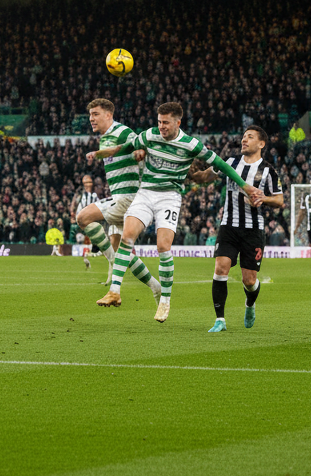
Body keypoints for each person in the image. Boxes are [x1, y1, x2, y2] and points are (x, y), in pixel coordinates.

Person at [88, 102, 263, 322]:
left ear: (177, 122)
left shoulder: (191, 145)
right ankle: (114, 291)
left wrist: (245, 187)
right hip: (145, 193)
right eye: (159, 122)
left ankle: (165, 300)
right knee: (127, 236)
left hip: (169, 197)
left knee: (163, 246)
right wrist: (103, 152)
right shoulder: (149, 135)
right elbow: (127, 147)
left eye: (166, 123)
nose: (161, 126)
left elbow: (222, 165)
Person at [190, 126, 284, 333]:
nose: (244, 140)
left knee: (249, 280)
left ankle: (250, 304)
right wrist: (191, 174)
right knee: (220, 268)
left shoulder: (268, 170)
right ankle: (220, 320)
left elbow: (279, 200)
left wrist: (262, 198)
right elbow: (206, 177)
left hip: (253, 231)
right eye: (243, 137)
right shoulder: (230, 163)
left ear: (261, 144)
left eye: (249, 137)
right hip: (228, 227)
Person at [77, 98, 160, 301]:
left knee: (83, 217)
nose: (91, 119)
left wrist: (140, 151)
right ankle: (155, 286)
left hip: (129, 198)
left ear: (108, 115)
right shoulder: (105, 138)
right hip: (121, 197)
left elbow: (139, 146)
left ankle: (113, 264)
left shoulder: (122, 132)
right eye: (90, 115)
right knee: (121, 249)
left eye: (95, 114)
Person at [72, 174, 100, 269]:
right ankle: (84, 257)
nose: (88, 184)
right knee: (81, 238)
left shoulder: (95, 196)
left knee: (92, 241)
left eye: (89, 182)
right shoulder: (81, 196)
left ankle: (89, 258)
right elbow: (77, 208)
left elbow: (99, 208)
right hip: (83, 222)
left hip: (92, 222)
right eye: (86, 182)